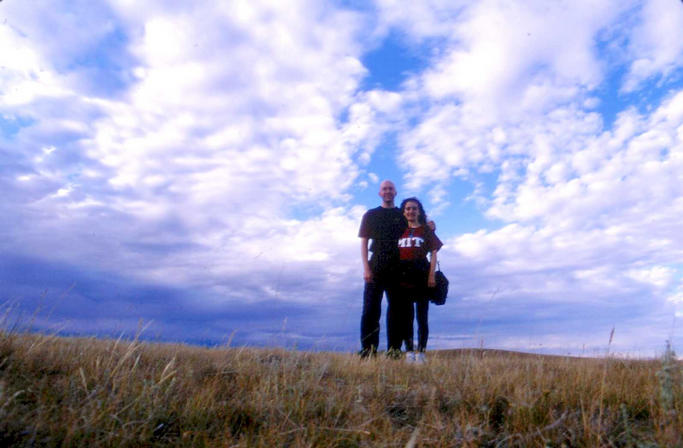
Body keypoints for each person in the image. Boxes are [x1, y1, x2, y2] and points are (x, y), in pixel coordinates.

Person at [358, 180, 406, 358]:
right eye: (384, 189)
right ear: (379, 193)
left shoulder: (402, 214)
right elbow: (364, 242)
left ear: (396, 192)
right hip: (376, 263)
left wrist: (431, 226)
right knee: (370, 309)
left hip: (398, 265)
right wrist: (366, 268)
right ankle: (368, 350)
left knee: (397, 309)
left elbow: (418, 227)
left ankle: (394, 350)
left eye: (391, 189)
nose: (387, 191)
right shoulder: (370, 215)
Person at [397, 197, 442, 364]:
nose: (411, 211)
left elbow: (434, 252)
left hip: (422, 276)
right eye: (408, 208)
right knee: (406, 316)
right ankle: (409, 352)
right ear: (404, 211)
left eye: (414, 208)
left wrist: (431, 275)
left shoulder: (425, 231)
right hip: (403, 277)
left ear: (419, 211)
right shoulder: (398, 231)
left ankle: (421, 353)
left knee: (422, 316)